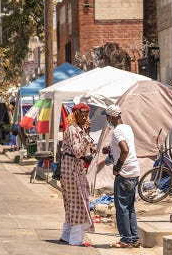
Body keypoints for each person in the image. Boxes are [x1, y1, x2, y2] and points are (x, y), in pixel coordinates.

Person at [101, 104, 141, 248]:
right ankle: (134, 238)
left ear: (111, 117)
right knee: (130, 207)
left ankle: (125, 240)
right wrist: (109, 149)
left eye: (107, 117)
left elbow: (125, 149)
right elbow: (121, 146)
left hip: (124, 174)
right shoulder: (127, 128)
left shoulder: (117, 131)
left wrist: (118, 166)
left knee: (122, 208)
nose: (107, 119)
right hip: (134, 172)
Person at [59, 102, 95, 247]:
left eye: (87, 114)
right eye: (82, 114)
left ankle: (66, 235)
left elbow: (84, 150)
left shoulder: (79, 129)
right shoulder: (72, 129)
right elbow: (78, 151)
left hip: (75, 167)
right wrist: (86, 136)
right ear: (75, 114)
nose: (85, 117)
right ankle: (75, 239)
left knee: (71, 202)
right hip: (71, 169)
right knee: (77, 203)